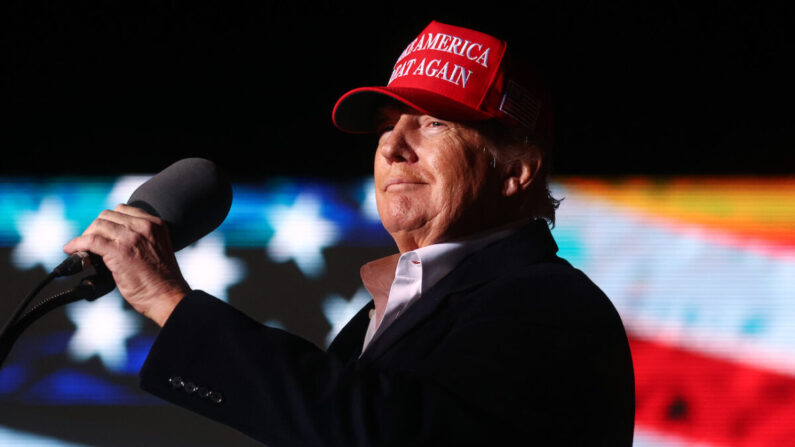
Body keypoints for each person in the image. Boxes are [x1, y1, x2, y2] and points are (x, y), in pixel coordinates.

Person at [64, 20, 634, 446]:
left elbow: (382, 432)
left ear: (514, 171)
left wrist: (169, 300)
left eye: (433, 123)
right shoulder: (381, 316)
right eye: (389, 126)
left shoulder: (551, 306)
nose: (392, 145)